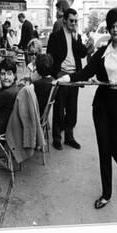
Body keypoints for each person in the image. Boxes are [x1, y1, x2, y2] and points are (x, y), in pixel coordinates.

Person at [56, 6, 117, 209]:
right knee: (104, 149)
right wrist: (66, 78)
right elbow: (86, 71)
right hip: (102, 105)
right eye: (112, 26)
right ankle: (106, 194)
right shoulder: (104, 51)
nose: (114, 30)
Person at [46, 8, 87, 150]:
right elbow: (49, 59)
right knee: (59, 108)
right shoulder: (55, 36)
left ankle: (69, 137)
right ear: (64, 20)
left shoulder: (77, 36)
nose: (74, 23)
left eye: (76, 21)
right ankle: (57, 138)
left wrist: (77, 39)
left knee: (72, 109)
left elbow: (83, 54)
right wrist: (56, 74)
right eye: (71, 21)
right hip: (61, 75)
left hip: (74, 76)